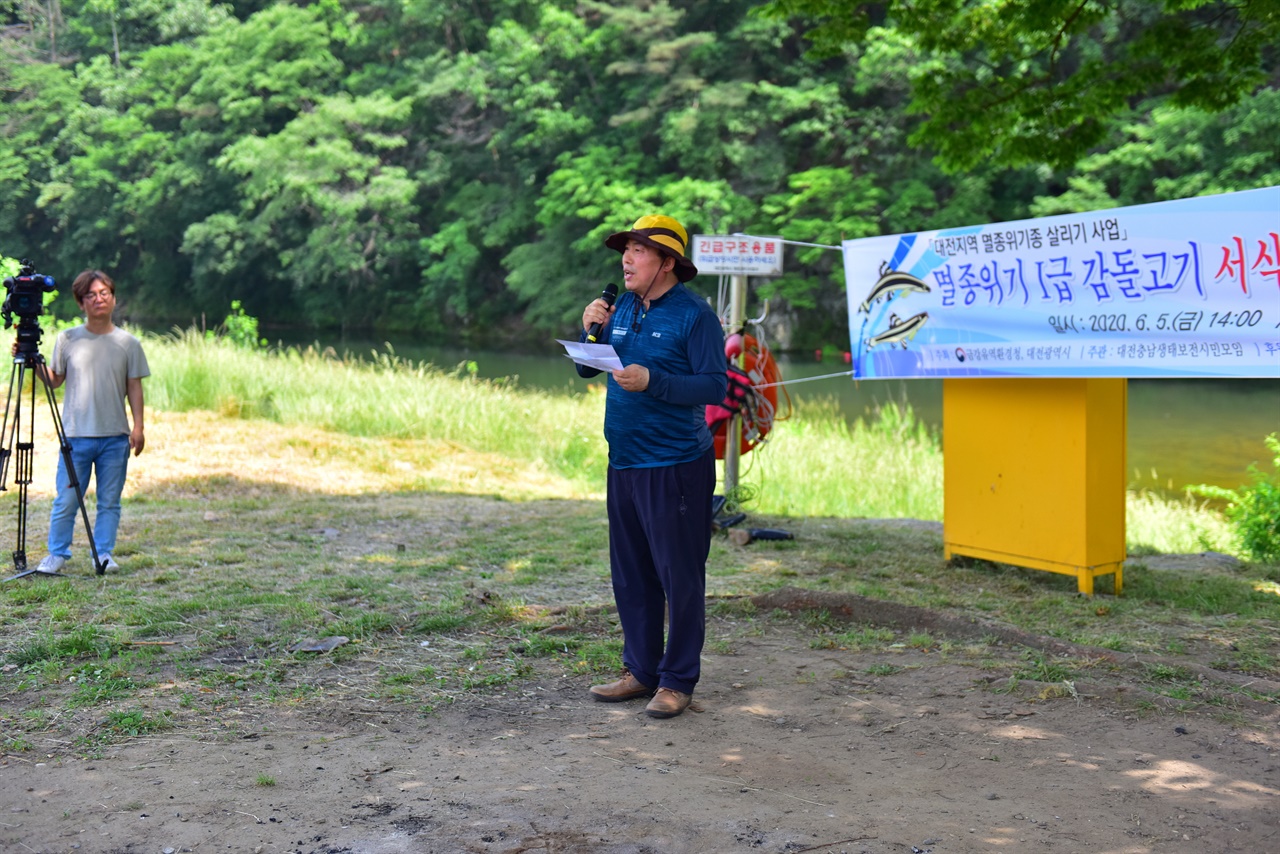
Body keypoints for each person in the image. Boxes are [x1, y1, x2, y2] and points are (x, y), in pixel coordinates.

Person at [576, 214, 727, 719]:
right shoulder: (618, 308)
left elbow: (713, 386)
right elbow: (587, 365)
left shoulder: (695, 316)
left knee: (679, 575)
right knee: (632, 574)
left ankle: (677, 681)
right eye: (626, 250)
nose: (627, 258)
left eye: (639, 251)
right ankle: (640, 671)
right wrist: (589, 331)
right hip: (624, 462)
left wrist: (653, 380)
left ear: (667, 262)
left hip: (676, 466)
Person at [32, 270, 149, 573]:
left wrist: (138, 426)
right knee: (67, 500)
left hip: (115, 437)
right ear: (81, 302)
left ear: (112, 297)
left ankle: (104, 554)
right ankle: (57, 554)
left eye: (104, 293)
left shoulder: (128, 343)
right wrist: (34, 362)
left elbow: (134, 386)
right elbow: (54, 380)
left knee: (110, 501)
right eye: (91, 295)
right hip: (76, 435)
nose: (99, 299)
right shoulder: (68, 339)